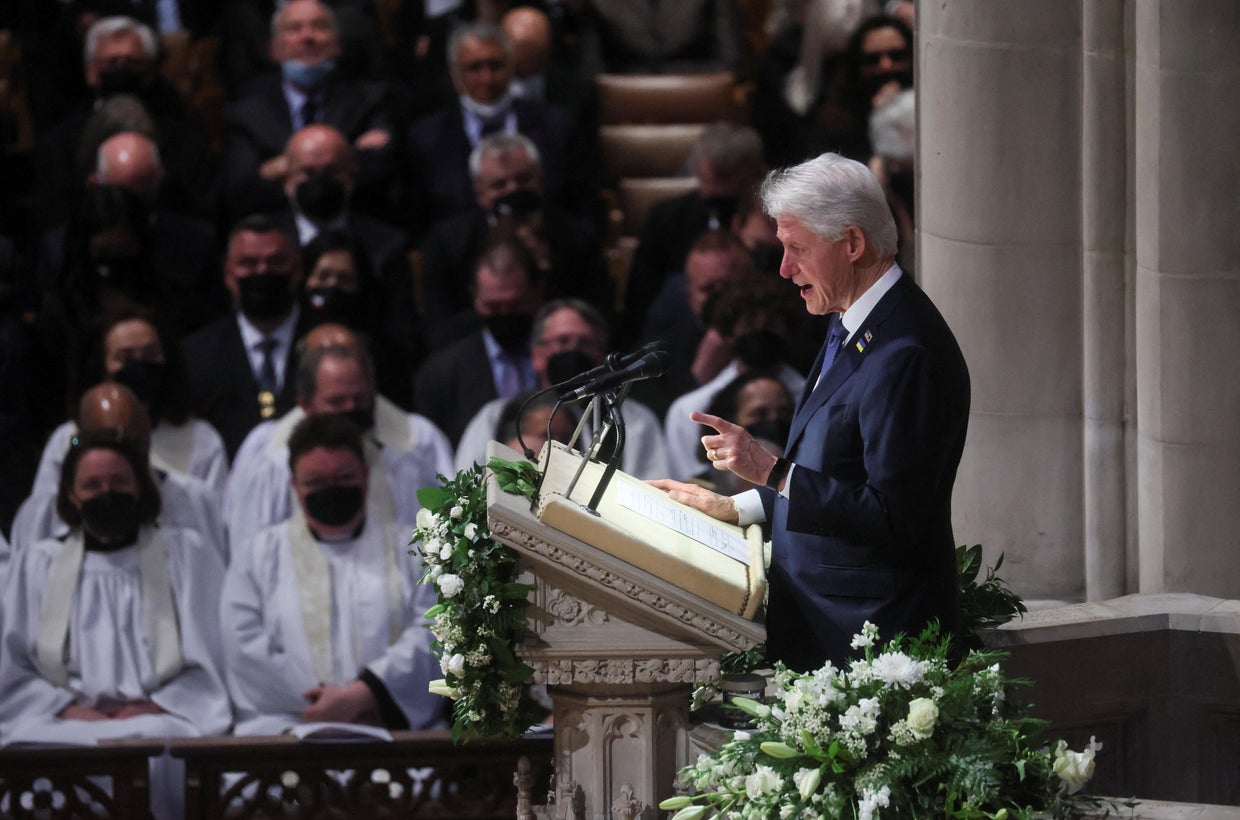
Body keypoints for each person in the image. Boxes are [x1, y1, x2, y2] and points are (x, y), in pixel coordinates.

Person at [650, 152, 970, 672]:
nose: (783, 268)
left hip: (870, 644)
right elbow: (835, 471)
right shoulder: (851, 318)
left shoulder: (905, 351)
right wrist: (739, 507)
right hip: (828, 633)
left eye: (797, 248)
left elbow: (892, 517)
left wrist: (772, 471)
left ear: (852, 243)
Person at [0, 431, 231, 818]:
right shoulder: (37, 564)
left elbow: (212, 660)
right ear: (72, 495)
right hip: (61, 721)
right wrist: (65, 708)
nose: (106, 493)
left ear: (140, 487)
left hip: (160, 720)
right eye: (92, 485)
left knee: (164, 746)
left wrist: (155, 706)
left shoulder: (187, 554)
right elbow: (13, 669)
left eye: (119, 482)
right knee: (35, 745)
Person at [220, 413, 445, 735]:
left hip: (387, 724)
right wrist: (323, 701)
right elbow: (244, 643)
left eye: (343, 478)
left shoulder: (415, 550)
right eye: (316, 482)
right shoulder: (257, 556)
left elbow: (433, 628)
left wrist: (363, 695)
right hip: (291, 727)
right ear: (294, 486)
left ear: (366, 476)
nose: (331, 489)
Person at [225, 330, 453, 546]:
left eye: (359, 398)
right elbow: (249, 545)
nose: (351, 409)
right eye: (336, 401)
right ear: (306, 405)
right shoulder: (272, 465)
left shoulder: (405, 461)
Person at [222, 0, 401, 222]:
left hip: (354, 226)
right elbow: (242, 192)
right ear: (274, 50)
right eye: (294, 29)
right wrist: (342, 159)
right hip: (280, 231)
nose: (307, 37)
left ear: (337, 44)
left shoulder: (371, 100)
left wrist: (285, 167)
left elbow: (381, 170)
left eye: (320, 26)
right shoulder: (246, 113)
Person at [12, 382, 229, 564]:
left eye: (134, 447)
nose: (125, 460)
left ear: (148, 438)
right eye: (112, 448)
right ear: (82, 438)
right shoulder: (41, 515)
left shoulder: (195, 500)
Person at [405, 20, 590, 232]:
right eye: (474, 68)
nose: (487, 79)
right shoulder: (427, 138)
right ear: (455, 76)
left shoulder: (557, 126)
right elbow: (419, 222)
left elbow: (581, 211)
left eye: (496, 65)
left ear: (512, 67)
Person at [417, 132, 610, 335]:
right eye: (499, 185)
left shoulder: (578, 237)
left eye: (523, 179)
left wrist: (548, 270)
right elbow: (439, 324)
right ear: (480, 193)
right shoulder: (448, 242)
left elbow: (598, 316)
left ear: (541, 180)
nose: (513, 191)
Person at [33, 303, 229, 503]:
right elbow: (46, 513)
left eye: (150, 354)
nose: (139, 365)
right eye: (125, 357)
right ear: (102, 367)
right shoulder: (69, 439)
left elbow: (213, 516)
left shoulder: (202, 439)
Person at [454, 298, 670, 479]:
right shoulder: (495, 416)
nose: (573, 350)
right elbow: (466, 487)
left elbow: (650, 487)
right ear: (537, 355)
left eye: (585, 343)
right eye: (562, 341)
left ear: (600, 355)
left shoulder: (635, 421)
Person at [619, 123, 767, 347]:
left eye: (727, 199)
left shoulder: (770, 225)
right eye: (711, 179)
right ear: (699, 169)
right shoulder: (665, 219)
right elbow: (640, 303)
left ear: (756, 172)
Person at [181, 215, 305, 461]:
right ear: (228, 273)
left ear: (297, 268)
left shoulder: (329, 345)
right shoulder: (195, 356)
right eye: (249, 263)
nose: (263, 272)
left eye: (276, 262)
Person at [414, 239, 545, 446]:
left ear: (536, 292)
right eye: (493, 306)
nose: (505, 314)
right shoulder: (442, 374)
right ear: (475, 296)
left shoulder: (561, 358)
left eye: (515, 304)